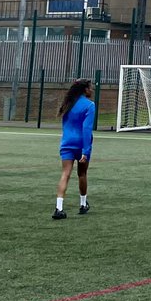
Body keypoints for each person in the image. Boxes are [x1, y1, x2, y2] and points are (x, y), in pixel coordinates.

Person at [53, 78, 95, 220]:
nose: (92, 90)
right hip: (81, 144)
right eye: (90, 87)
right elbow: (86, 129)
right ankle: (83, 204)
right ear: (85, 89)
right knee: (82, 174)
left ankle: (59, 208)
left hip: (67, 143)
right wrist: (86, 151)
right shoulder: (89, 105)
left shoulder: (68, 103)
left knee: (65, 174)